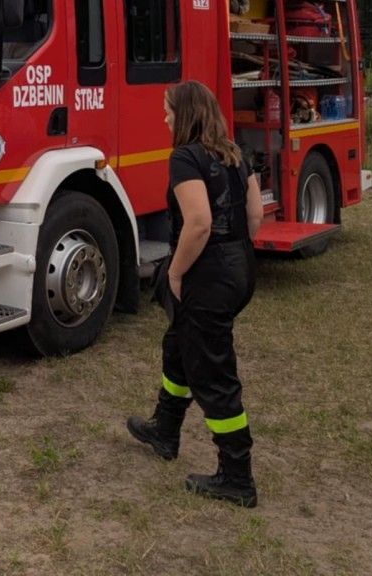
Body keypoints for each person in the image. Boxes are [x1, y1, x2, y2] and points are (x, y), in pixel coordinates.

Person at [126, 80, 264, 507]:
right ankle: (165, 431)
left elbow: (199, 222)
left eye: (168, 110)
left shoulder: (184, 158)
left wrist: (177, 273)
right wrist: (233, 256)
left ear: (185, 114)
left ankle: (236, 476)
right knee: (179, 346)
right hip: (239, 268)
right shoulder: (237, 153)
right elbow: (255, 215)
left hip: (207, 274)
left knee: (214, 373)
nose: (163, 117)